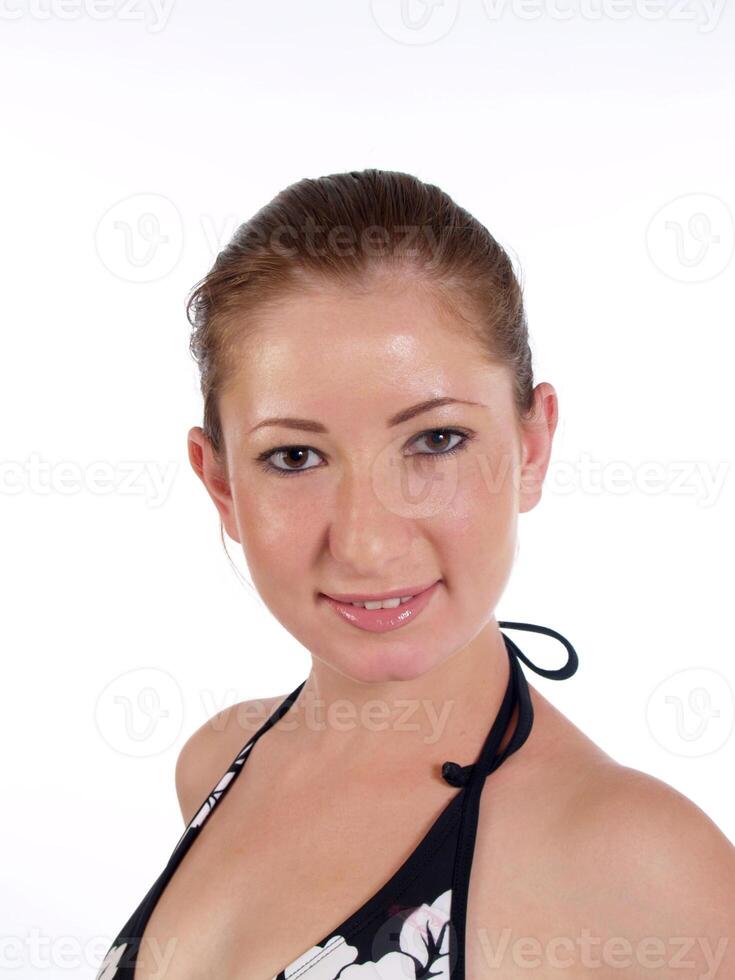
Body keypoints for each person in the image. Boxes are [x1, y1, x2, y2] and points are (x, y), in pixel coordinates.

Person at [96, 169, 735, 980]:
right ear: (219, 484)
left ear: (531, 447)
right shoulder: (218, 762)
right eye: (294, 456)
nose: (365, 542)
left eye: (434, 442)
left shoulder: (637, 862)